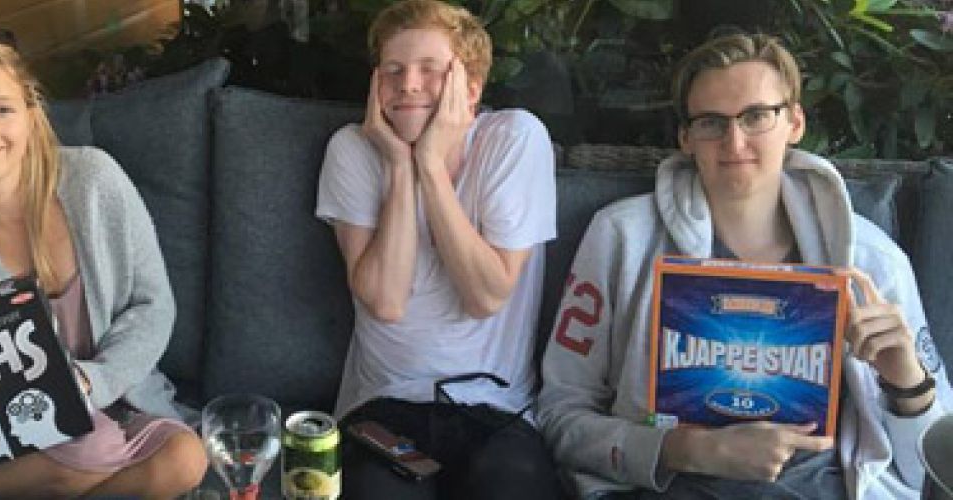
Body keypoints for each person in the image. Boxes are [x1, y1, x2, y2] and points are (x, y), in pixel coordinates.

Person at [538, 33, 951, 499]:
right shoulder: (620, 237)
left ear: (794, 122)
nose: (734, 141)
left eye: (756, 116)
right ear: (686, 137)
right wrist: (682, 450)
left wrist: (906, 382)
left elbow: (931, 471)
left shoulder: (872, 260)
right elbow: (559, 413)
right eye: (711, 122)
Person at [0, 30, 207, 499]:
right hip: (17, 430)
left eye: (3, 109)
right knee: (91, 446)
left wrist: (90, 382)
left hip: (121, 398)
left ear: (31, 115)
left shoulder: (94, 180)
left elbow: (154, 306)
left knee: (186, 458)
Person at [314, 1, 561, 497]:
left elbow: (485, 296)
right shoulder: (353, 148)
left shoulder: (515, 138)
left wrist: (429, 165)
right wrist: (400, 165)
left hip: (496, 409)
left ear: (470, 89)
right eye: (393, 70)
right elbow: (386, 301)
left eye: (431, 69)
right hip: (382, 406)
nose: (408, 84)